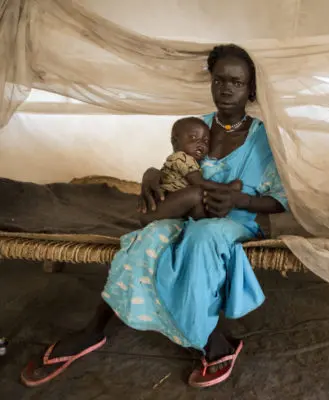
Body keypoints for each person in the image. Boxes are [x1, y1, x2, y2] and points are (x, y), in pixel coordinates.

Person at [21, 44, 288, 389]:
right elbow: (174, 170)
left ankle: (215, 342)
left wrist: (242, 201)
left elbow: (279, 201)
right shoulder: (198, 126)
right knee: (147, 239)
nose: (226, 88)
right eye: (219, 79)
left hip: (235, 221)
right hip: (189, 214)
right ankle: (92, 331)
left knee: (202, 238)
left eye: (236, 82)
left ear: (251, 88)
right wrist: (150, 173)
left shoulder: (263, 138)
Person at [142, 116, 242, 224]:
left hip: (170, 205)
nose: (201, 144)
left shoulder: (192, 161)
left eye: (206, 141)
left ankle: (204, 222)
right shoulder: (182, 158)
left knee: (199, 201)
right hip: (158, 207)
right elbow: (200, 182)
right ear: (175, 142)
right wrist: (228, 187)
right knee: (197, 193)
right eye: (193, 137)